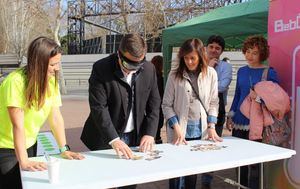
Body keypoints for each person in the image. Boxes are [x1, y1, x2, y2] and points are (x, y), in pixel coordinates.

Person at [0, 36, 84, 189]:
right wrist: (23, 161)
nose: (57, 68)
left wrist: (64, 149)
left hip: (30, 144)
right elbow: (17, 125)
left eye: (58, 63)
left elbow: (55, 117)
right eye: (53, 64)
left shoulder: (50, 82)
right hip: (6, 148)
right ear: (39, 63)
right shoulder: (15, 81)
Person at [80, 33, 160, 189]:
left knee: (129, 182)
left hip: (134, 136)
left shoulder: (149, 69)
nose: (133, 70)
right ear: (119, 54)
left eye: (139, 65)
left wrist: (150, 133)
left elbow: (154, 104)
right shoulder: (101, 68)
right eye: (129, 65)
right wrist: (114, 139)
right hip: (106, 137)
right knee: (105, 181)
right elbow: (98, 108)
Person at [162, 38, 222, 189]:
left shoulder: (211, 74)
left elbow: (214, 102)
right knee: (176, 171)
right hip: (179, 128)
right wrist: (176, 127)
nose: (189, 62)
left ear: (201, 56)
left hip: (200, 129)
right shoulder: (174, 74)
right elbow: (166, 105)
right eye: (186, 58)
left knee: (192, 170)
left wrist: (212, 126)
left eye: (193, 58)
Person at [226, 35, 278, 189]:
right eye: (247, 52)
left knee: (256, 165)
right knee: (239, 162)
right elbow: (237, 95)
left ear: (262, 54)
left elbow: (275, 100)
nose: (249, 56)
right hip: (239, 123)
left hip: (259, 125)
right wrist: (230, 116)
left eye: (254, 53)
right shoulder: (241, 71)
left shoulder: (270, 72)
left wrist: (259, 98)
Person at [202, 35, 232, 188]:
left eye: (217, 48)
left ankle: (206, 182)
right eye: (211, 47)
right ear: (206, 48)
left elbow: (222, 86)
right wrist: (207, 66)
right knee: (195, 144)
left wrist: (210, 72)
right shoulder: (198, 62)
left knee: (212, 147)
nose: (214, 50)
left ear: (221, 51)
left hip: (217, 110)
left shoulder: (226, 67)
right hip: (197, 110)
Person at [151, 55, 164, 144]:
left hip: (152, 105)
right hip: (160, 106)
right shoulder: (162, 79)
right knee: (158, 128)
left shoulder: (150, 78)